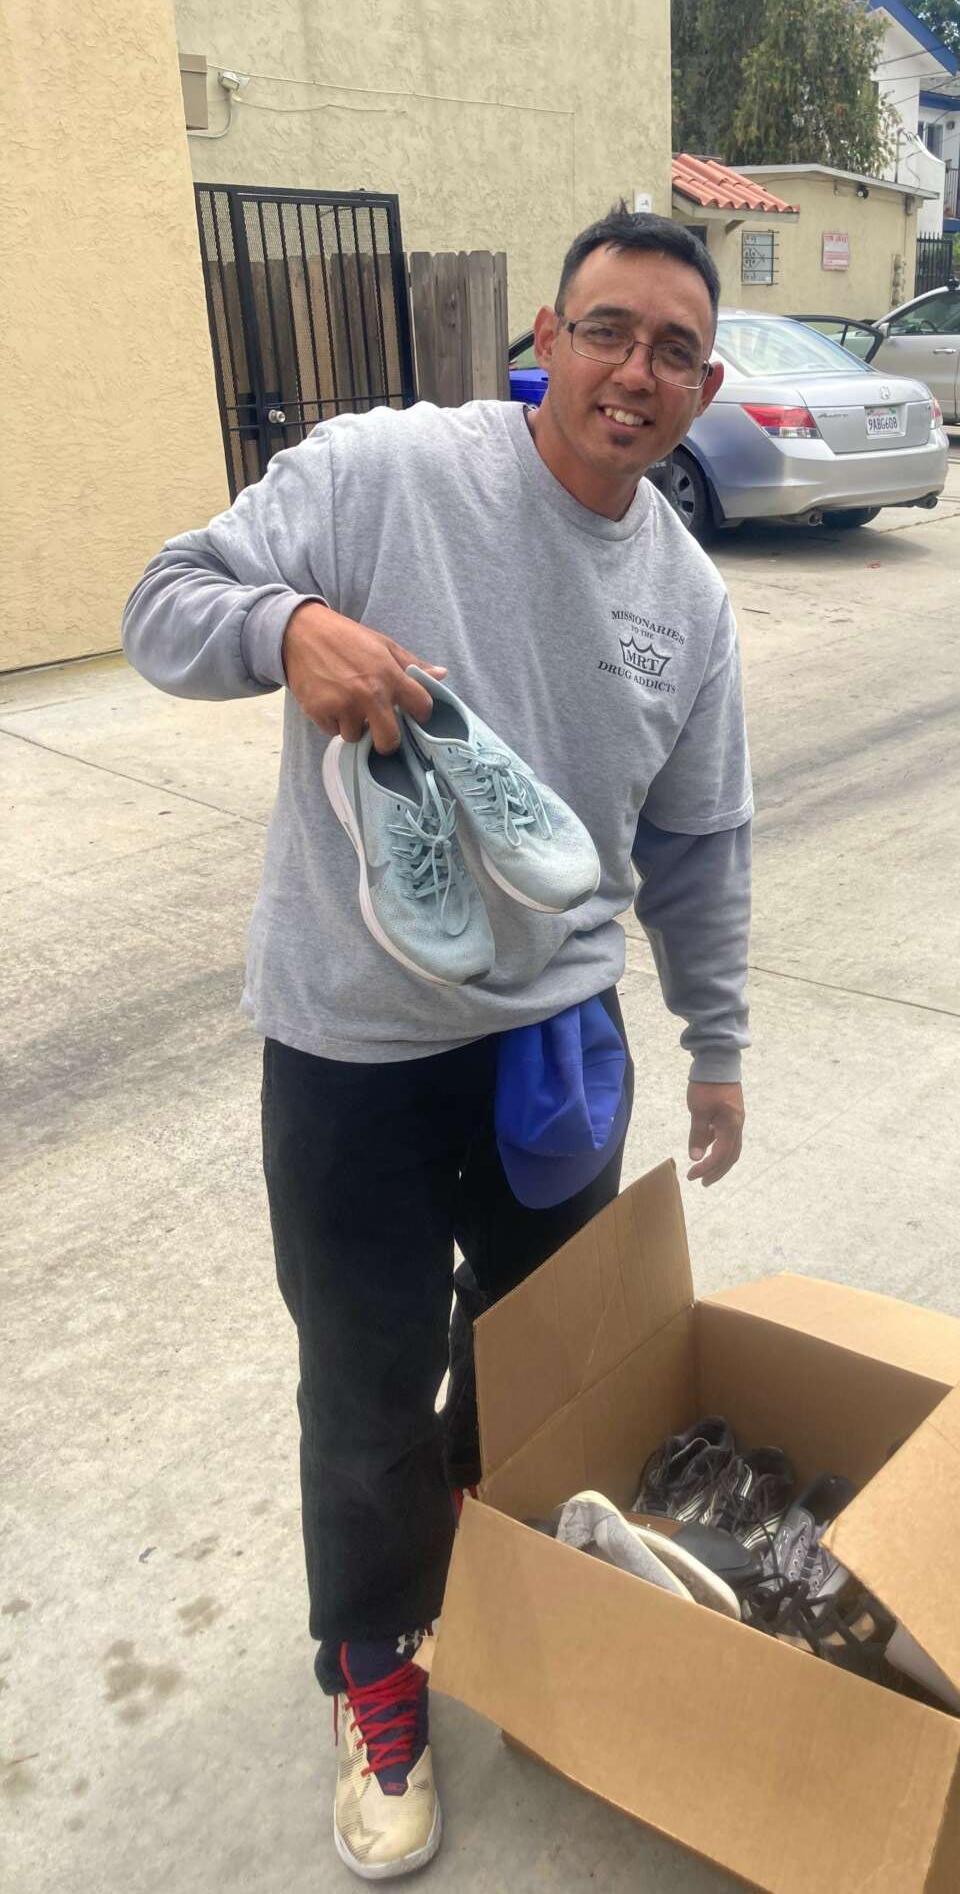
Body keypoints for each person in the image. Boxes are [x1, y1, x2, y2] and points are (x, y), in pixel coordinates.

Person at [121, 205, 751, 1880]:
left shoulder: (687, 599)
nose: (636, 372)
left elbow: (698, 843)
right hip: (353, 1040)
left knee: (540, 1362)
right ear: (547, 337)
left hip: (557, 1037)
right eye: (608, 331)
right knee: (365, 1377)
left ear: (706, 386)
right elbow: (163, 601)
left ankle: (491, 1562)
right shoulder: (386, 472)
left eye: (675, 350)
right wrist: (285, 631)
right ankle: (376, 1662)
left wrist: (717, 1044)